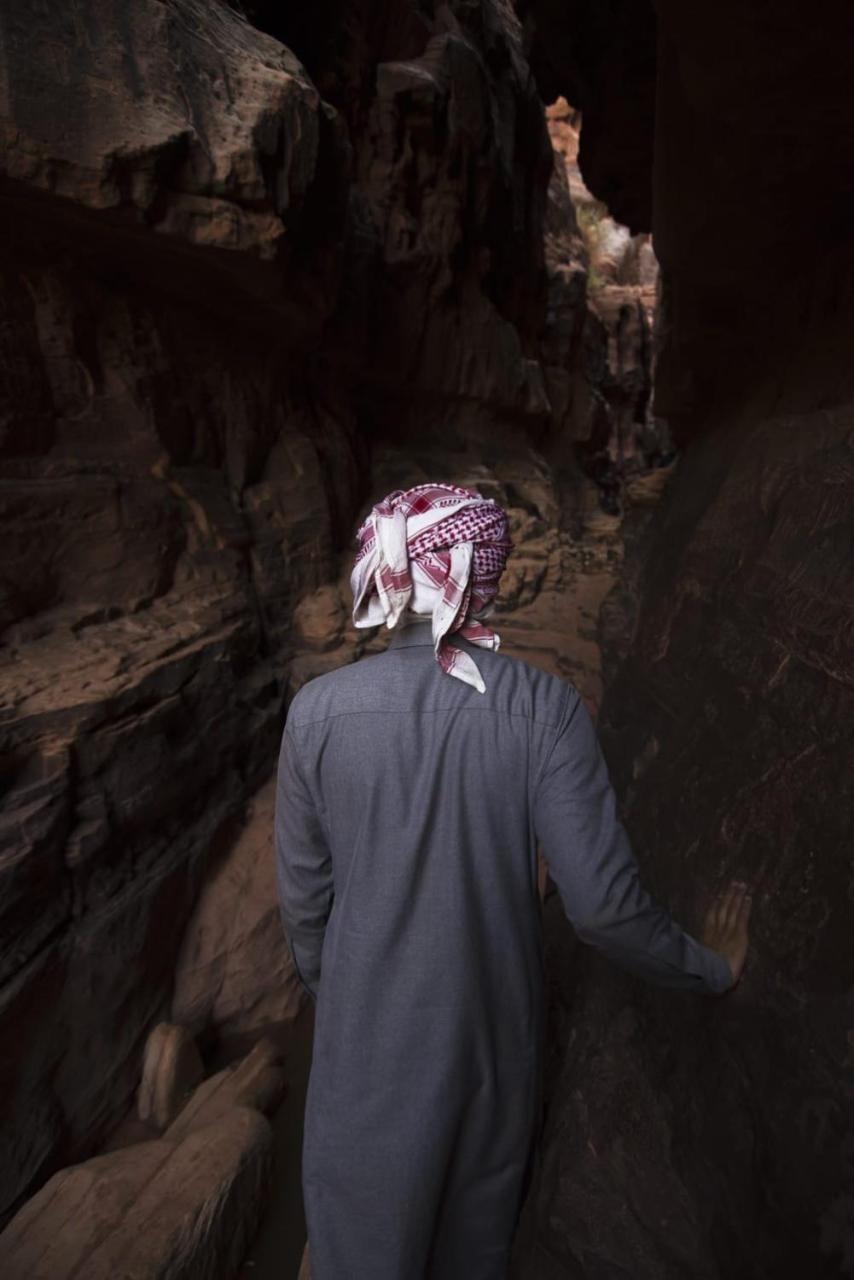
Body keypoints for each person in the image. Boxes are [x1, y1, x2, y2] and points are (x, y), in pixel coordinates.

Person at [274, 482, 753, 1280]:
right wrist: (711, 967)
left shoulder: (315, 715)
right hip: (493, 1059)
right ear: (481, 577)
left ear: (382, 578)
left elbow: (304, 913)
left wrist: (361, 1003)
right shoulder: (546, 710)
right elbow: (603, 910)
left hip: (361, 1071)